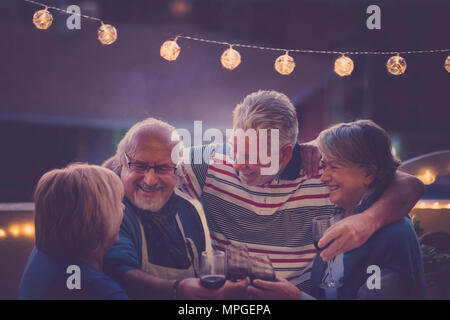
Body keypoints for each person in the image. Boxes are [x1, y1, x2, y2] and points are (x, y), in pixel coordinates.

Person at [179, 90, 425, 293]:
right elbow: (150, 168)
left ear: (285, 153)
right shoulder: (208, 164)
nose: (238, 163)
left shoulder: (325, 172)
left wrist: (367, 221)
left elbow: (408, 183)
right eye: (236, 149)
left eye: (252, 156)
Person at [247, 120, 426, 299]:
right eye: (324, 166)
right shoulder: (337, 214)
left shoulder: (393, 236)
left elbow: (411, 183)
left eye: (333, 167)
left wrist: (295, 297)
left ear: (368, 174)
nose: (323, 177)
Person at [102, 118, 247, 299]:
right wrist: (177, 290)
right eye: (139, 166)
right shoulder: (109, 208)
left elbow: (203, 277)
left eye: (163, 168)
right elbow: (118, 272)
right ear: (122, 164)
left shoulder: (189, 211)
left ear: (177, 171)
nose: (150, 180)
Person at [19, 164, 129, 300]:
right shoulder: (99, 290)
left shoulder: (42, 256)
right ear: (98, 217)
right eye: (117, 202)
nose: (123, 208)